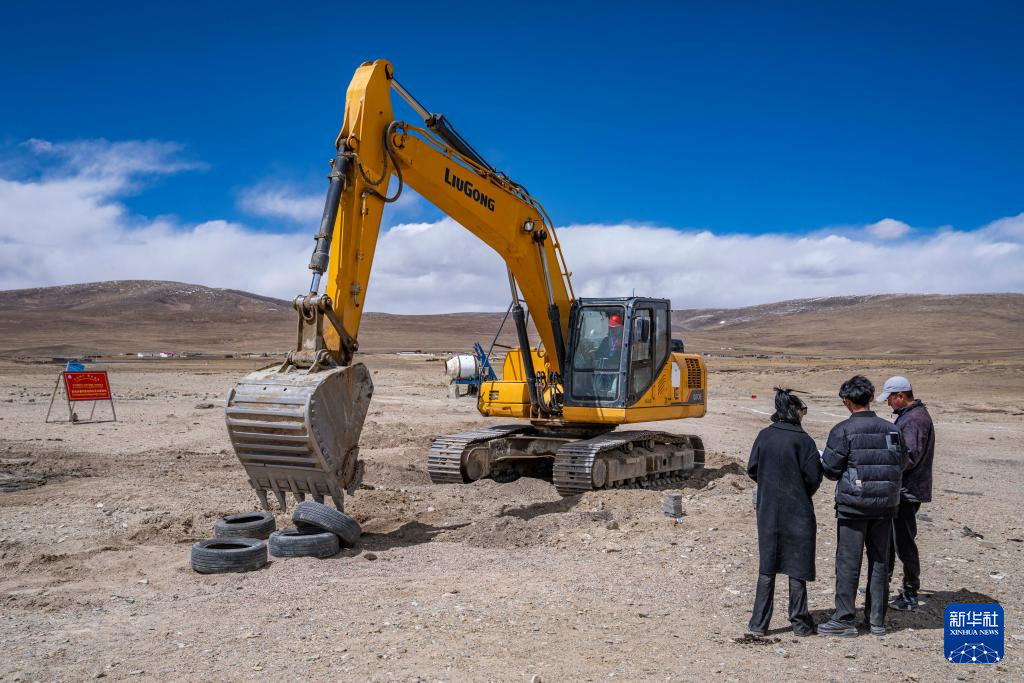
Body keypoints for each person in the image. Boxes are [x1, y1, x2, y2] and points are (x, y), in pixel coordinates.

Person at [816, 375, 907, 638]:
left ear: (846, 401)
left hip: (854, 506)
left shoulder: (842, 430)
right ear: (871, 398)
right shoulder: (892, 430)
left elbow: (831, 470)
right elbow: (902, 462)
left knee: (848, 562)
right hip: (886, 506)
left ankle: (844, 618)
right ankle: (876, 620)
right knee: (879, 561)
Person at [745, 388, 823, 637]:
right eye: (803, 410)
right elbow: (814, 477)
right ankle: (800, 624)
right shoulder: (804, 441)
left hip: (768, 510)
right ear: (794, 411)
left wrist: (769, 485)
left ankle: (758, 624)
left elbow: (752, 468)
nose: (803, 415)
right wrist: (799, 490)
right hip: (798, 510)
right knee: (797, 567)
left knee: (767, 568)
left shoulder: (765, 436)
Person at [877, 376, 935, 611]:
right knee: (892, 540)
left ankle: (910, 591)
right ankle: (882, 583)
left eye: (890, 399)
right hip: (903, 488)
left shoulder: (914, 420)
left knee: (903, 541)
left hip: (907, 490)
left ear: (900, 396)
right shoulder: (910, 416)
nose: (888, 403)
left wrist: (883, 461)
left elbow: (909, 457)